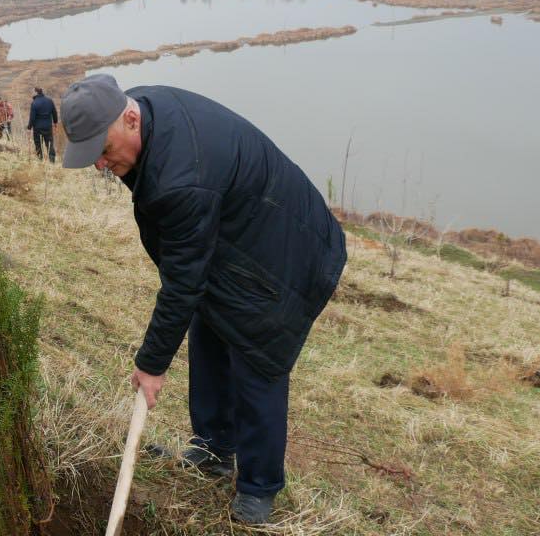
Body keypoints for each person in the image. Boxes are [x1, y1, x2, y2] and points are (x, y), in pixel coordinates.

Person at [59, 74, 347, 525]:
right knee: (209, 331)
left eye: (103, 149)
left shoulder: (181, 178)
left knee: (257, 356)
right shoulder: (146, 113)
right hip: (238, 238)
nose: (99, 164)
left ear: (130, 118)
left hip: (285, 257)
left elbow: (182, 282)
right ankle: (214, 448)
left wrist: (151, 364)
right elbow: (189, 277)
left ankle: (259, 485)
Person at [26, 86, 58, 162]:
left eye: (32, 91)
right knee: (50, 144)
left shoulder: (34, 103)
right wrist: (55, 122)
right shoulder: (49, 101)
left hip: (37, 128)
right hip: (48, 127)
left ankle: (40, 160)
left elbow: (32, 118)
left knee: (38, 144)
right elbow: (54, 113)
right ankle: (52, 161)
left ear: (36, 92)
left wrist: (29, 128)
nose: (31, 93)